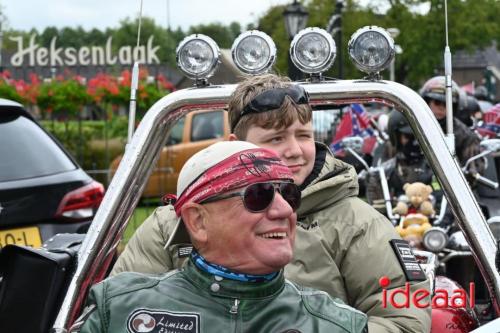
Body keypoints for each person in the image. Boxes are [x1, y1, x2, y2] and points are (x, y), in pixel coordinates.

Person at [112, 74, 431, 333]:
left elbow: (404, 322)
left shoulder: (358, 225)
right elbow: (120, 311)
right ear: (236, 145)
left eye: (303, 135)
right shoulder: (171, 224)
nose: (294, 150)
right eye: (276, 138)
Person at [71, 141, 368, 333]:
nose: (283, 210)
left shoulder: (338, 325)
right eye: (259, 195)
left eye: (288, 194)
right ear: (198, 221)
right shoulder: (119, 308)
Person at [419, 75, 483, 167]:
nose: (441, 107)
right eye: (437, 102)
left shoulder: (466, 136)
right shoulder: (413, 127)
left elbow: (473, 172)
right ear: (427, 102)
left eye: (446, 103)